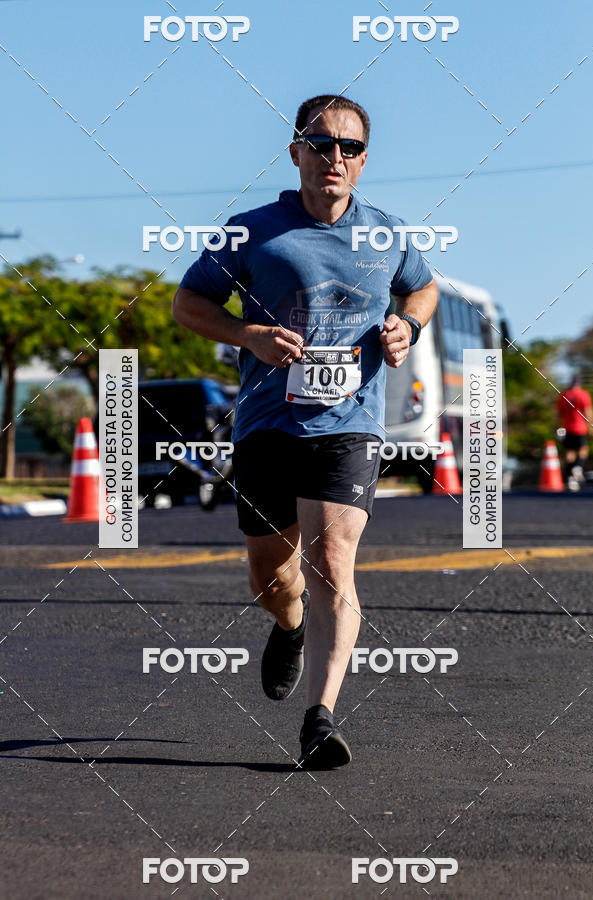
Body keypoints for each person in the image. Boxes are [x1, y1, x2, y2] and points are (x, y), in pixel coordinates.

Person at [172, 94, 438, 769]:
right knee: (271, 574)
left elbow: (424, 288)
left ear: (364, 160)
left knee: (332, 562)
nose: (334, 157)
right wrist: (247, 334)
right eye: (321, 144)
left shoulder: (387, 234)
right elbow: (188, 302)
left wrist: (408, 324)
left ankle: (320, 719)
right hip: (267, 423)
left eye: (349, 147)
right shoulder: (251, 232)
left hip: (350, 425)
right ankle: (288, 626)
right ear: (296, 153)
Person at [557, 375, 593, 490]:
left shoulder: (564, 395)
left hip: (567, 428)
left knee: (570, 454)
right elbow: (588, 412)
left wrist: (558, 427)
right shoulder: (583, 394)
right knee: (583, 450)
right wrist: (592, 426)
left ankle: (571, 479)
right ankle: (577, 467)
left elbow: (558, 414)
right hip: (580, 428)